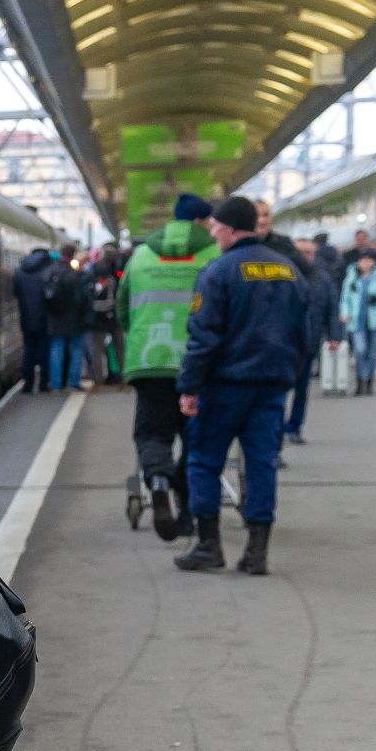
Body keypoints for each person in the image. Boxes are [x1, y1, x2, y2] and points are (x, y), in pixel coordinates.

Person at [173, 196, 309, 577]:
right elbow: (304, 334)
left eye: (216, 227)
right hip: (271, 386)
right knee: (261, 463)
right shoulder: (289, 270)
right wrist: (289, 374)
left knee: (203, 459)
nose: (212, 232)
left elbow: (203, 338)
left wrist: (189, 386)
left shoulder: (218, 272)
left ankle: (208, 545)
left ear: (230, 228)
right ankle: (256, 551)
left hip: (224, 386)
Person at [118, 193, 218, 540]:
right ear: (200, 222)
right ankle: (189, 512)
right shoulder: (215, 255)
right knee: (196, 440)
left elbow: (121, 307)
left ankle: (158, 482)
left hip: (151, 361)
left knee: (152, 434)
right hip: (202, 364)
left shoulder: (141, 255)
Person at [284, 236, 334, 446]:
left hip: (309, 343)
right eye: (302, 252)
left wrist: (335, 336)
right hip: (283, 345)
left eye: (310, 252)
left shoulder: (323, 278)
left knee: (301, 390)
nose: (306, 256)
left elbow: (332, 309)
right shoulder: (282, 275)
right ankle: (276, 434)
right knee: (279, 393)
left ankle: (295, 426)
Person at [339, 252, 376, 395]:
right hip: (357, 321)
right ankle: (360, 381)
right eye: (363, 260)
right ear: (358, 262)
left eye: (368, 260)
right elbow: (345, 298)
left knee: (373, 353)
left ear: (373, 262)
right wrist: (344, 313)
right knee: (360, 351)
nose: (366, 263)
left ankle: (369, 382)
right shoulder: (351, 277)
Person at [13, 244, 56, 392]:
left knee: (28, 351)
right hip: (45, 320)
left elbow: (16, 293)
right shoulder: (49, 270)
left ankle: (28, 384)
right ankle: (44, 383)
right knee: (45, 352)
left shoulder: (19, 271)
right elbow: (52, 297)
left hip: (26, 319)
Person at [44, 242, 87, 389]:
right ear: (72, 255)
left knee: (56, 350)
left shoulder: (49, 271)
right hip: (72, 319)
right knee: (76, 350)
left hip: (54, 319)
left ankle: (55, 383)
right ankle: (73, 382)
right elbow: (79, 299)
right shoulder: (72, 274)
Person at [312, 233, 350, 395]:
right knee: (329, 339)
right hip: (334, 299)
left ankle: (320, 368)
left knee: (316, 341)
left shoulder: (317, 263)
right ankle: (323, 368)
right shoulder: (337, 259)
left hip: (318, 304)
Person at [83, 243, 125, 385]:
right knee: (119, 348)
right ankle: (121, 376)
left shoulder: (94, 270)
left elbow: (86, 293)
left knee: (97, 350)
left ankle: (99, 379)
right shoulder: (119, 271)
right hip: (115, 315)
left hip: (97, 317)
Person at [254, 199, 313, 278]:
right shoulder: (242, 246)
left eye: (266, 215)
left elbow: (304, 271)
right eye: (257, 215)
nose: (262, 220)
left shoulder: (284, 243)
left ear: (271, 217)